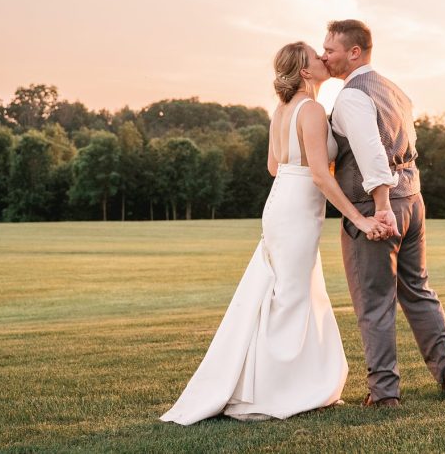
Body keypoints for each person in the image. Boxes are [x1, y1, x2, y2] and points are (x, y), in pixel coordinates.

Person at [160, 41, 394, 424]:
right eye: (316, 57)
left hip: (280, 202)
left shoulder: (281, 110)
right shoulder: (313, 109)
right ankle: (275, 391)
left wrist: (303, 171)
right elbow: (319, 174)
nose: (323, 58)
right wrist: (360, 218)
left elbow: (274, 166)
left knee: (285, 292)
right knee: (290, 297)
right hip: (298, 208)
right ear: (304, 72)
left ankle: (282, 383)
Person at [322, 19, 445, 408]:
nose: (324, 55)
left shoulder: (353, 96)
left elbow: (373, 154)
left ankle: (384, 392)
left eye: (330, 49)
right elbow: (407, 144)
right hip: (414, 201)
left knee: (374, 300)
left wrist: (382, 209)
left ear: (354, 52)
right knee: (418, 289)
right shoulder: (393, 90)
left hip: (378, 207)